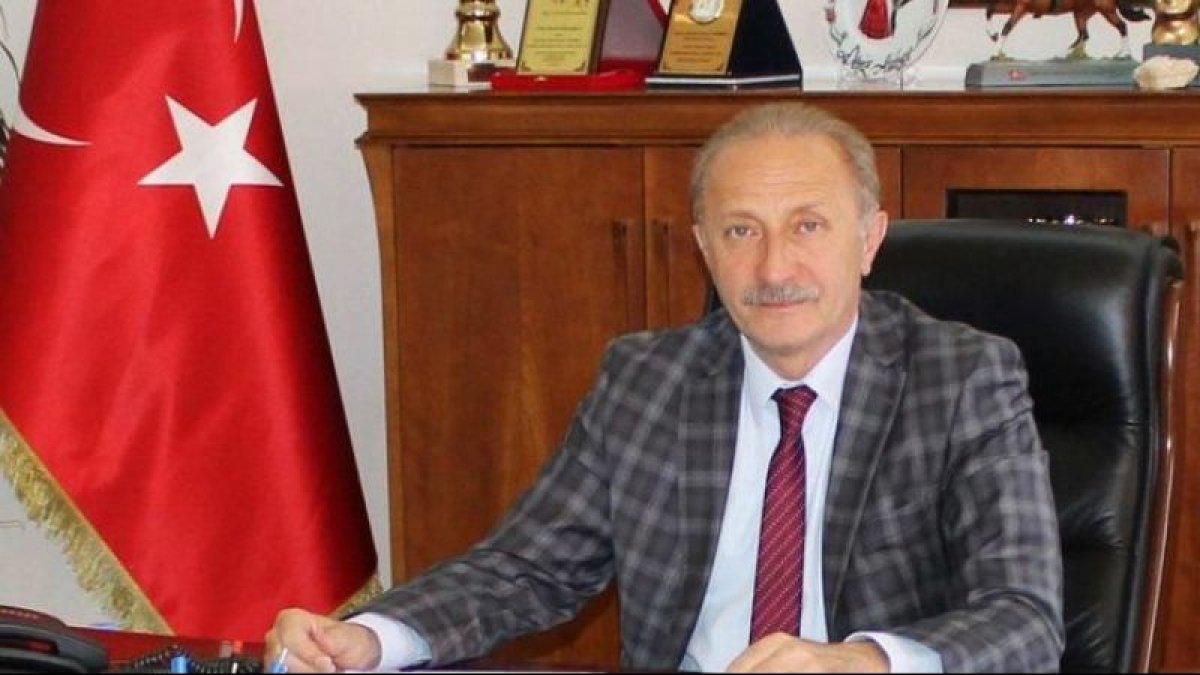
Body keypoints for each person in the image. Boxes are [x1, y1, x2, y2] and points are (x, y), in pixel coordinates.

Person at [265, 102, 1064, 673]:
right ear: (703, 249)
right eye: (742, 230)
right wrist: (370, 637)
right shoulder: (648, 380)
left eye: (808, 225)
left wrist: (863, 661)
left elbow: (1025, 619)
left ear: (869, 238)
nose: (774, 267)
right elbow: (525, 569)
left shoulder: (961, 377)